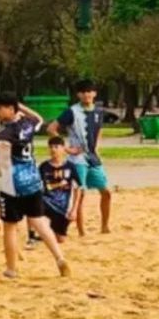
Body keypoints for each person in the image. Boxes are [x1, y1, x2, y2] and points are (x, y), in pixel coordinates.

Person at [0, 94, 71, 278]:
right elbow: (39, 118)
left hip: (12, 185)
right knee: (40, 222)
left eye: (1, 108)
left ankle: (11, 269)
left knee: (9, 226)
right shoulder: (27, 124)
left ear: (11, 109)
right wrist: (21, 107)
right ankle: (59, 258)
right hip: (33, 181)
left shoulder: (8, 132)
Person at [47, 79, 112, 235]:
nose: (86, 95)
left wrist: (97, 148)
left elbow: (99, 129)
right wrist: (67, 149)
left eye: (89, 91)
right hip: (78, 159)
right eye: (83, 92)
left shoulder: (98, 111)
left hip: (93, 157)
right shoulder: (72, 112)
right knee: (80, 194)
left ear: (94, 93)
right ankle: (82, 231)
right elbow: (51, 128)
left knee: (106, 192)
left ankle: (105, 226)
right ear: (78, 94)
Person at [33, 136, 82, 245]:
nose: (53, 149)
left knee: (61, 239)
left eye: (56, 147)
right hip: (46, 203)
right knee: (36, 208)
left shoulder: (70, 167)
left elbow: (78, 188)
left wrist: (74, 209)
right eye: (51, 147)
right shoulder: (44, 167)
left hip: (62, 208)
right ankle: (35, 234)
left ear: (63, 148)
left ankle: (50, 231)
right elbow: (39, 187)